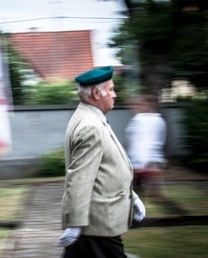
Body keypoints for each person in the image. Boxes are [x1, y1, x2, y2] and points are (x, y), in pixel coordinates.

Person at [57, 66, 146, 258]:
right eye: (112, 89)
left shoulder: (92, 118)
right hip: (98, 223)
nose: (115, 94)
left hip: (95, 221)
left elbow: (106, 171)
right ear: (97, 93)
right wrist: (75, 223)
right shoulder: (90, 126)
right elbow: (80, 178)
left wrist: (133, 197)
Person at [125, 94, 167, 198]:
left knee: (136, 192)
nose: (135, 107)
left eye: (139, 104)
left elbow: (137, 141)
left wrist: (137, 161)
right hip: (152, 159)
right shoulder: (159, 120)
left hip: (141, 160)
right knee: (150, 193)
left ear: (147, 105)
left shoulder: (139, 119)